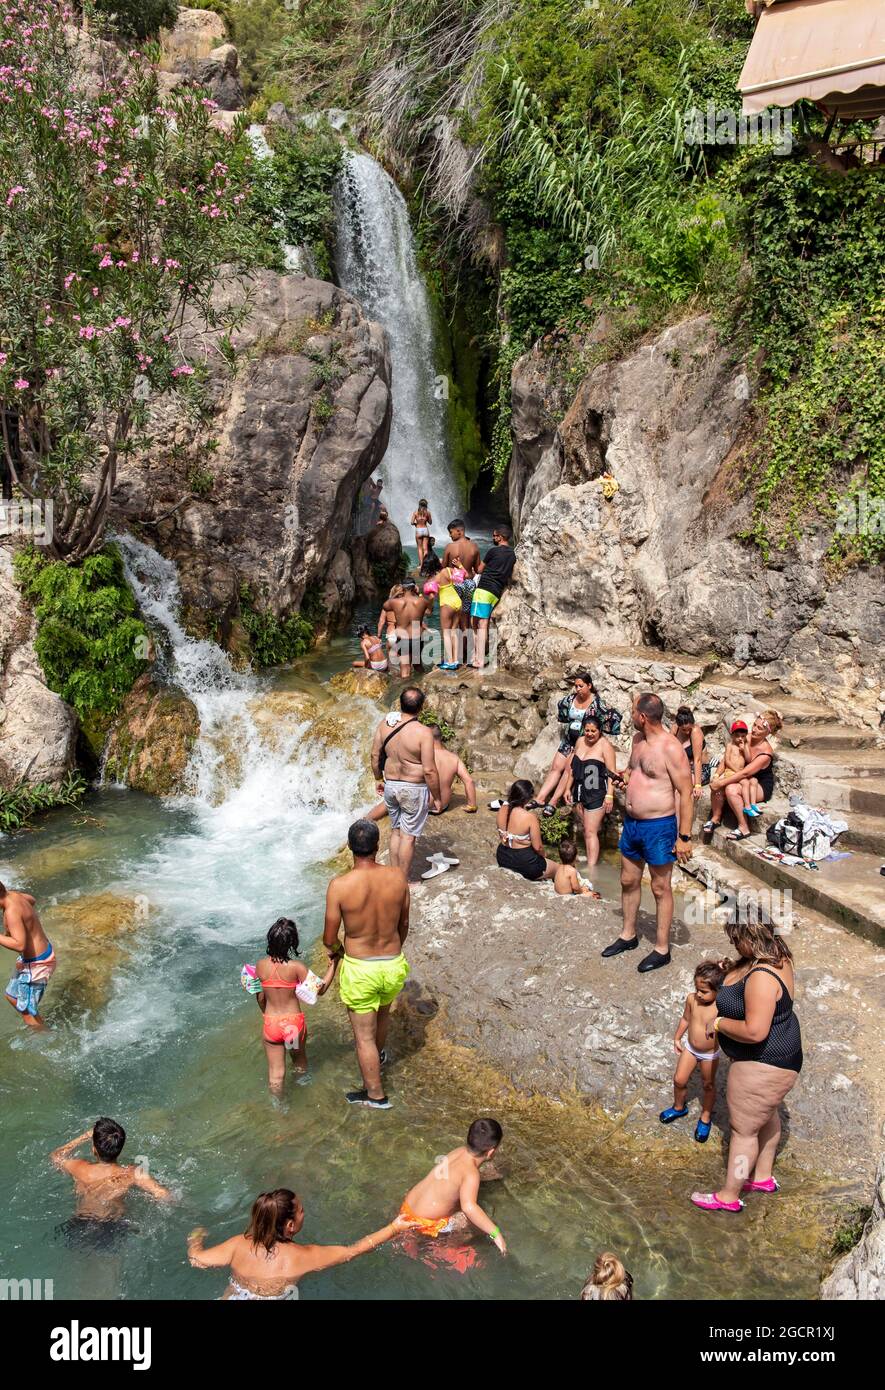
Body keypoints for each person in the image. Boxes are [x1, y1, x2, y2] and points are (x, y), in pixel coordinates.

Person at [691, 917, 802, 1213]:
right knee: (766, 1114)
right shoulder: (780, 955)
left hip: (762, 1062)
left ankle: (728, 1196)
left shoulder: (762, 977)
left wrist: (719, 1022)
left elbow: (755, 1032)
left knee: (743, 1131)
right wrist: (733, 969)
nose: (733, 944)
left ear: (751, 939)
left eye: (736, 939)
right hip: (783, 1057)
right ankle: (762, 1177)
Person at [602, 693, 694, 973]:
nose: (630, 716)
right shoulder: (638, 741)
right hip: (632, 824)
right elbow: (633, 770)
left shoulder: (671, 748)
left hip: (659, 826)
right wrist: (624, 778)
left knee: (660, 886)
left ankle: (662, 948)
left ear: (642, 717)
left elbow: (686, 792)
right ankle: (628, 934)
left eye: (632, 712)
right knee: (628, 879)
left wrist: (684, 837)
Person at [324, 819, 410, 1109]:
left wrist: (337, 952)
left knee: (363, 1038)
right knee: (383, 1012)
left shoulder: (340, 886)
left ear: (350, 848)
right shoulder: (397, 878)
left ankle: (375, 1095)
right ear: (377, 846)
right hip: (392, 962)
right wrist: (392, 949)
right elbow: (404, 923)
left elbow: (329, 938)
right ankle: (380, 1054)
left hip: (361, 967)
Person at [188, 1189, 407, 1300]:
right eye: (301, 1210)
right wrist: (395, 1227)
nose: (305, 1212)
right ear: (290, 1225)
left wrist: (195, 1238)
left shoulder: (239, 1244)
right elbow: (354, 1251)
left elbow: (196, 1260)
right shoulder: (302, 1256)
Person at [247, 918, 338, 1096]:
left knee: (276, 1073)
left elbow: (259, 997)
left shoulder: (260, 966)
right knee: (298, 1060)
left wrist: (267, 1016)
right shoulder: (296, 967)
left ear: (270, 939)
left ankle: (279, 1106)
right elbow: (321, 989)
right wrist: (334, 964)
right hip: (292, 1025)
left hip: (272, 1024)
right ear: (292, 942)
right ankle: (303, 1091)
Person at [398, 1118, 506, 1254]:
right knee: (473, 1223)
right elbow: (469, 1207)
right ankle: (445, 1247)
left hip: (407, 1206)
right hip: (424, 1223)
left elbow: (449, 1179)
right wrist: (496, 1233)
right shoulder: (471, 1174)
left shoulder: (458, 1151)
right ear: (491, 1152)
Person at [51, 1118, 173, 1232]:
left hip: (80, 1222)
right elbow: (164, 1195)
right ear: (120, 1149)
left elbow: (56, 1156)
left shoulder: (79, 1167)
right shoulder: (131, 1173)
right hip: (111, 1225)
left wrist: (85, 1137)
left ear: (94, 1149)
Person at [370, 686, 441, 877]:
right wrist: (437, 796)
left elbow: (375, 755)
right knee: (408, 837)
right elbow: (429, 770)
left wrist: (378, 778)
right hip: (413, 788)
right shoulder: (423, 732)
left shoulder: (385, 725)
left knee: (396, 831)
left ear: (400, 704)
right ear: (421, 708)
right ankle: (403, 881)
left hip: (391, 785)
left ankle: (394, 876)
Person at [659, 960, 724, 1142]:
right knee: (679, 1079)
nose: (699, 994)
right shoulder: (692, 999)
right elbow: (686, 1019)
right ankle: (679, 1107)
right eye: (697, 989)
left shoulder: (720, 1007)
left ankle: (705, 1116)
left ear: (718, 990)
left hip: (709, 1054)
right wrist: (677, 1037)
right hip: (690, 1048)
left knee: (708, 1085)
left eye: (704, 991)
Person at [534, 672, 603, 813]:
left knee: (568, 769)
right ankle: (539, 798)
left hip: (582, 743)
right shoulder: (571, 699)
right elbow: (563, 714)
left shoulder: (597, 704)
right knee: (556, 767)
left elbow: (601, 723)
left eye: (581, 686)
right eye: (576, 686)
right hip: (568, 740)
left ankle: (552, 803)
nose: (577, 688)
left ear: (589, 686)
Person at [708, 710, 782, 841]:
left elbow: (746, 772)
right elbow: (727, 758)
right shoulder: (745, 737)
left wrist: (722, 783)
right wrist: (717, 776)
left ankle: (744, 827)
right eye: (754, 725)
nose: (754, 730)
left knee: (731, 789)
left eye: (760, 728)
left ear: (767, 733)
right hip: (741, 775)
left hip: (758, 784)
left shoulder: (765, 753)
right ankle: (716, 818)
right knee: (718, 783)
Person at [564, 714, 619, 866]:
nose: (589, 734)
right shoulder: (580, 741)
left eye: (593, 731)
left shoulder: (605, 746)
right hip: (580, 791)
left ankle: (592, 868)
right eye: (587, 730)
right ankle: (590, 858)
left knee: (590, 832)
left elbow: (612, 773)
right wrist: (567, 788)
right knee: (585, 829)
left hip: (597, 793)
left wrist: (609, 795)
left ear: (600, 731)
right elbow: (573, 768)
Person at [2, 879, 56, 1029]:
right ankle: (40, 1026)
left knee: (27, 1011)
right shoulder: (14, 895)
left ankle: (45, 1038)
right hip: (35, 957)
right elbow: (31, 900)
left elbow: (19, 944)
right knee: (12, 997)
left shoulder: (11, 912)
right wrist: (24, 920)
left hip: (38, 964)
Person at [470, 524, 516, 670]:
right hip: (496, 592)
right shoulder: (513, 554)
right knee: (482, 622)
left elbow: (479, 570)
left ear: (500, 537)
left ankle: (479, 658)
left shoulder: (493, 551)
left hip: (483, 589)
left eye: (495, 535)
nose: (493, 538)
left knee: (477, 623)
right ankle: (478, 655)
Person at [496, 779, 557, 881]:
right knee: (559, 869)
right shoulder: (530, 817)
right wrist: (544, 857)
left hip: (503, 857)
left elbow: (502, 836)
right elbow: (538, 848)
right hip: (525, 863)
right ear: (528, 798)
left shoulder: (502, 808)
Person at [378, 578, 432, 678]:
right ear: (414, 587)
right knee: (418, 665)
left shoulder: (395, 602)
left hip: (403, 639)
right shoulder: (422, 601)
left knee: (405, 669)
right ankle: (423, 682)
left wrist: (395, 595)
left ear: (402, 588)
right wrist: (419, 593)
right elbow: (429, 611)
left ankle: (404, 690)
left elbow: (385, 606)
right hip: (417, 638)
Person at [703, 720, 748, 834]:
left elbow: (749, 760)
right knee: (716, 786)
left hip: (741, 775)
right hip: (731, 773)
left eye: (743, 736)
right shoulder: (730, 745)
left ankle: (748, 807)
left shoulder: (746, 746)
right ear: (732, 735)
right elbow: (726, 761)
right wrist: (717, 775)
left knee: (743, 785)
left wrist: (744, 750)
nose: (740, 739)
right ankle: (715, 817)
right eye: (737, 736)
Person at [424, 564, 469, 669]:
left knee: (446, 633)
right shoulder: (447, 570)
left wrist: (429, 608)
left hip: (446, 603)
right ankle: (456, 660)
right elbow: (464, 576)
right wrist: (460, 565)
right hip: (458, 602)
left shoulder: (433, 579)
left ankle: (449, 661)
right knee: (454, 630)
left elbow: (431, 597)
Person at [426, 723, 477, 814]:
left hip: (423, 806)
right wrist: (472, 805)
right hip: (443, 805)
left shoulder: (422, 755)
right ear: (441, 736)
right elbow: (469, 781)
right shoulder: (454, 758)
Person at [671, 706, 710, 803]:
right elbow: (667, 747)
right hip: (682, 768)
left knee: (679, 787)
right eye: (684, 730)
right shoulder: (675, 728)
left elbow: (697, 759)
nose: (687, 732)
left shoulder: (695, 731)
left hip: (699, 770)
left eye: (689, 728)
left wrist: (697, 785)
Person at [410, 498, 432, 566]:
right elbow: (430, 522)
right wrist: (427, 519)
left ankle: (422, 565)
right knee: (425, 549)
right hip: (425, 530)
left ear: (419, 504)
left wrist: (416, 524)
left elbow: (411, 522)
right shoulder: (428, 512)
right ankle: (426, 564)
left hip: (418, 530)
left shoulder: (415, 512)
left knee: (419, 548)